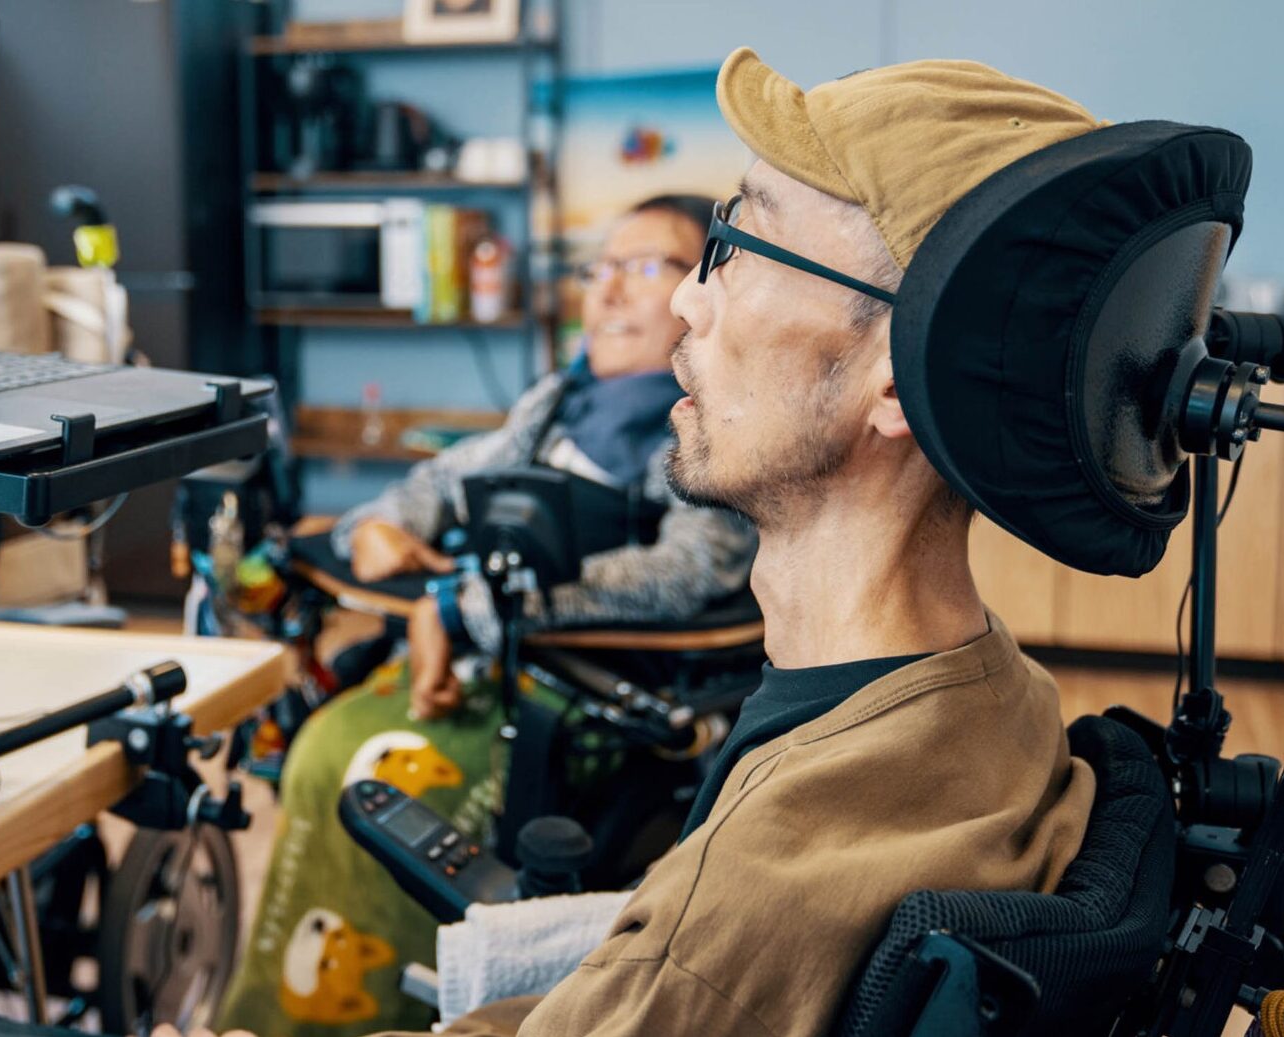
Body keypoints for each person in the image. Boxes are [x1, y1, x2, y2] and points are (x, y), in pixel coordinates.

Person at [164, 45, 1101, 1037]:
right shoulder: (1006, 701)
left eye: (744, 250)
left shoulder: (739, 919)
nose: (687, 300)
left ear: (900, 377)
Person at [215, 195, 758, 1037]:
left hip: (589, 694)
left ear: (703, 293)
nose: (608, 291)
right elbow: (441, 480)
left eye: (643, 267)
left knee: (353, 765)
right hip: (483, 664)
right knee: (320, 744)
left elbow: (687, 568)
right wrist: (381, 528)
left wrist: (468, 602)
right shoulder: (558, 402)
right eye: (598, 268)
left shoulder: (711, 421)